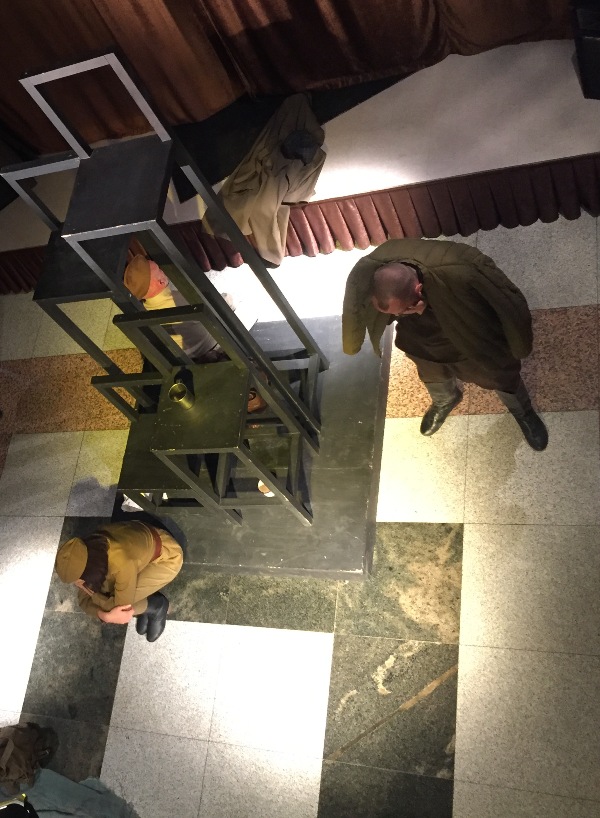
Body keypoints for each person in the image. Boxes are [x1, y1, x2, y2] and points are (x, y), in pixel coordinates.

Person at [342, 238, 548, 451]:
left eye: (403, 310)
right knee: (431, 373)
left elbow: (511, 304)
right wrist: (351, 343)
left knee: (500, 375)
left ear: (419, 290)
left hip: (469, 336)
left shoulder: (464, 267)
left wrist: (520, 347)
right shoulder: (371, 267)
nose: (398, 315)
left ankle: (522, 411)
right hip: (419, 339)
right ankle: (445, 400)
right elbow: (352, 303)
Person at [54, 521, 183, 642]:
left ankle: (157, 605)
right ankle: (144, 599)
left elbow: (121, 610)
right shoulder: (90, 551)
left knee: (112, 606)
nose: (77, 584)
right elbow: (83, 601)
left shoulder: (121, 563)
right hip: (139, 547)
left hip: (167, 558)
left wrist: (94, 596)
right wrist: (102, 615)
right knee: (100, 596)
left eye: (78, 579)